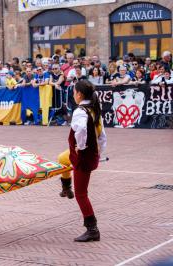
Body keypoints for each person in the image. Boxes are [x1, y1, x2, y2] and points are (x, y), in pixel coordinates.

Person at [58, 80, 106, 242]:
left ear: (79, 94)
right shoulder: (94, 109)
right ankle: (66, 187)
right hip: (88, 154)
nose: (73, 94)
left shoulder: (80, 111)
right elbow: (102, 135)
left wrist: (81, 147)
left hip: (82, 157)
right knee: (62, 158)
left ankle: (92, 229)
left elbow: (82, 130)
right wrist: (98, 152)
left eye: (73, 92)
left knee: (81, 194)